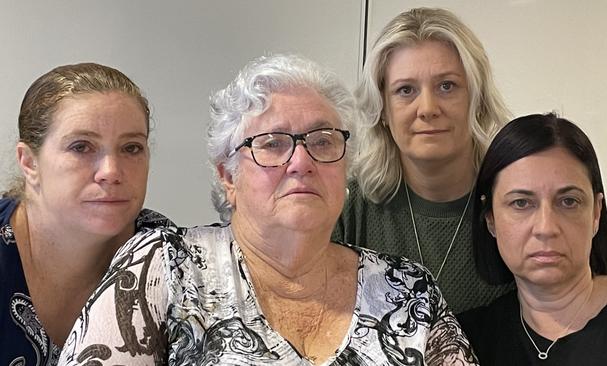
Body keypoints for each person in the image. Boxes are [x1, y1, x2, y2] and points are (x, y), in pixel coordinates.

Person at [159, 53, 477, 365]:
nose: (302, 162)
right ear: (228, 176)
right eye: (272, 143)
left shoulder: (410, 290)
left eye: (322, 141)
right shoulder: (166, 268)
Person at [333, 7, 512, 313]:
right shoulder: (346, 208)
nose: (427, 108)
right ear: (383, 110)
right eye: (406, 90)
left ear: (476, 99)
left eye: (447, 86)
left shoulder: (516, 204)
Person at [0, 63, 173, 365]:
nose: (111, 172)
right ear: (29, 162)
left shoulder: (170, 260)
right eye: (81, 147)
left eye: (131, 148)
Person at [457, 113, 607, 365]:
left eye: (568, 201)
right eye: (521, 203)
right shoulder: (464, 342)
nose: (546, 228)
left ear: (596, 213)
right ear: (490, 218)